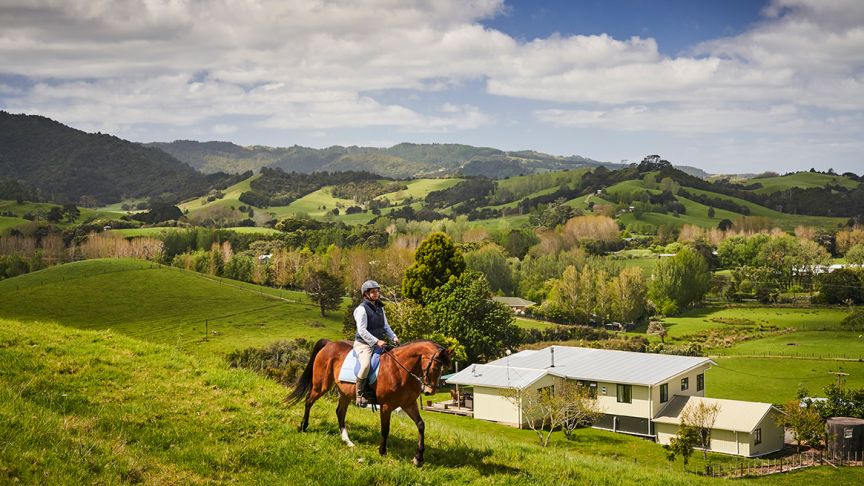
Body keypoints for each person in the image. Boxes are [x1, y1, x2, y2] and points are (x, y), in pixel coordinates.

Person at [353, 280, 399, 406]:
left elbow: (386, 326)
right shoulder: (361, 309)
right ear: (366, 294)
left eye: (377, 291)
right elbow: (361, 330)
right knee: (366, 365)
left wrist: (394, 337)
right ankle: (360, 394)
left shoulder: (380, 308)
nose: (376, 294)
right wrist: (376, 341)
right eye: (373, 292)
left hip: (379, 344)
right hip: (364, 344)